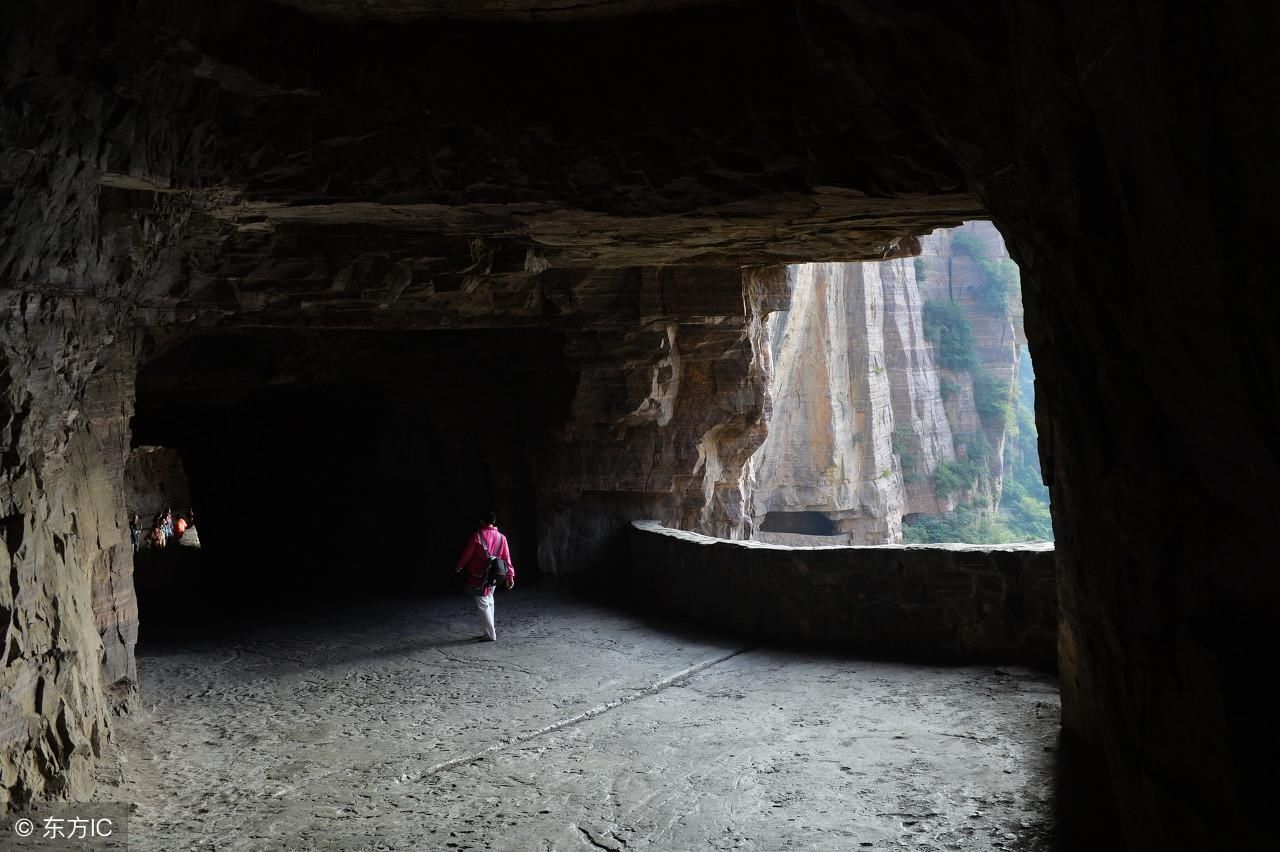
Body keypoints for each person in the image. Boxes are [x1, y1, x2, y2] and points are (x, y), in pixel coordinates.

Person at [454, 512, 515, 641]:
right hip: (495, 574)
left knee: (483, 604)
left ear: (482, 521)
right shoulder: (501, 537)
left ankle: (490, 634)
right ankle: (489, 630)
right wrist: (510, 576)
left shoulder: (477, 536)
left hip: (478, 575)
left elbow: (467, 553)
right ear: (494, 522)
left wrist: (460, 566)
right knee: (489, 601)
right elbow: (506, 557)